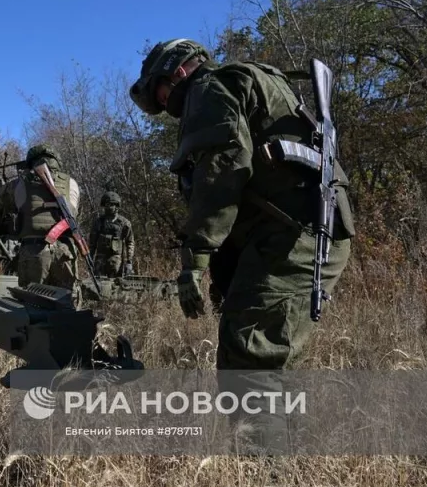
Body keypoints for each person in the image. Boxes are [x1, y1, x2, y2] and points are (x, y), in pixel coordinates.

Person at [129, 38, 356, 450]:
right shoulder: (246, 81)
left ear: (176, 71)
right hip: (298, 232)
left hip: (293, 236)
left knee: (249, 360)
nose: (163, 105)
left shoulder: (210, 88)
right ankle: (282, 463)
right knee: (262, 361)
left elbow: (221, 175)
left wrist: (194, 259)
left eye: (159, 92)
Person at [0, 145, 81, 299]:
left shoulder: (20, 183)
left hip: (34, 253)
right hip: (67, 253)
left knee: (33, 305)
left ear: (31, 161)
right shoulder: (71, 183)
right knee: (69, 305)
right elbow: (75, 212)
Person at [89, 191, 135, 277]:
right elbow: (92, 243)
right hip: (100, 260)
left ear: (117, 206)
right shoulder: (98, 222)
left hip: (116, 260)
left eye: (111, 204)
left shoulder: (124, 223)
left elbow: (130, 242)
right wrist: (90, 258)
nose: (109, 207)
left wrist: (129, 262)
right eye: (107, 204)